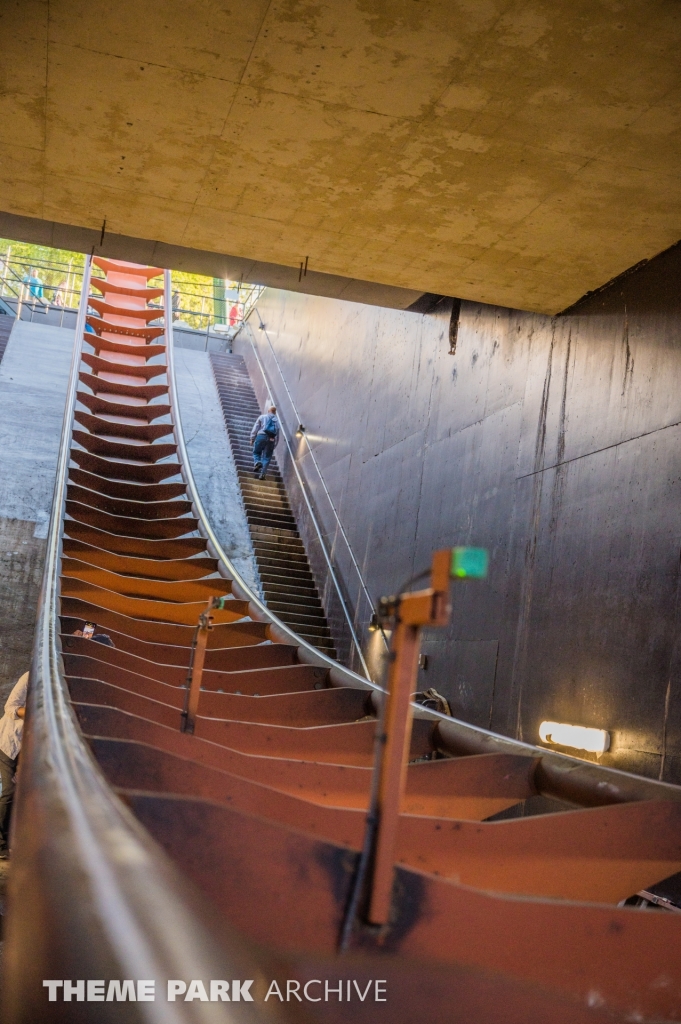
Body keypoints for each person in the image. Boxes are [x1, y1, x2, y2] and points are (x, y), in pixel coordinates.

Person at [0, 671, 28, 859]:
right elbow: (10, 707)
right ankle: (1, 843)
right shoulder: (30, 677)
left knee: (22, 792)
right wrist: (34, 711)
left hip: (29, 745)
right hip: (10, 742)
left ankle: (14, 840)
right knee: (10, 790)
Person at [250, 405, 279, 480]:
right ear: (275, 412)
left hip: (261, 436)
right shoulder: (276, 421)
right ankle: (262, 474)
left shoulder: (262, 417)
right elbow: (277, 434)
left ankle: (257, 462)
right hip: (271, 440)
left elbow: (255, 428)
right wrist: (274, 444)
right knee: (267, 457)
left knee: (256, 452)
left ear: (268, 411)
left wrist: (252, 438)